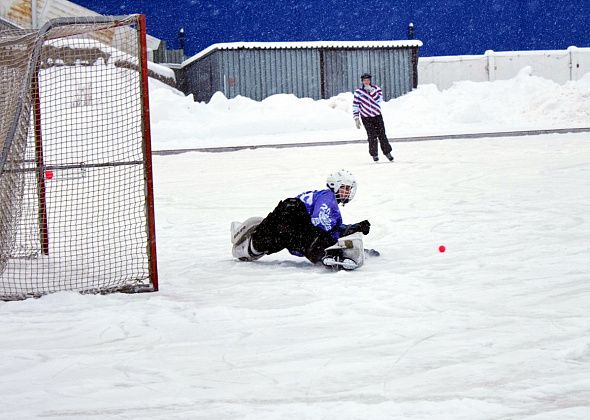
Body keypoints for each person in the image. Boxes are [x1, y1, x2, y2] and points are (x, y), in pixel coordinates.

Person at [231, 170, 371, 269]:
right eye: (345, 188)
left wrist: (352, 228)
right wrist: (343, 236)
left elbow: (326, 226)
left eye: (349, 188)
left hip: (287, 221)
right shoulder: (328, 197)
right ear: (335, 186)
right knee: (313, 241)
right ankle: (332, 254)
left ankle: (248, 246)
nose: (348, 192)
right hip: (290, 215)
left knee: (276, 242)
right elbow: (321, 223)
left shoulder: (327, 201)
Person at [353, 73, 394, 162]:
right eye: (364, 80)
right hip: (366, 117)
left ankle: (387, 152)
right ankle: (374, 154)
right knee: (372, 136)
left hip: (377, 116)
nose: (366, 82)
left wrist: (371, 91)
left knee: (382, 135)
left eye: (368, 80)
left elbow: (379, 100)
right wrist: (356, 118)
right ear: (362, 81)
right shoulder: (358, 92)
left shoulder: (376, 89)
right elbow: (355, 105)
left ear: (370, 81)